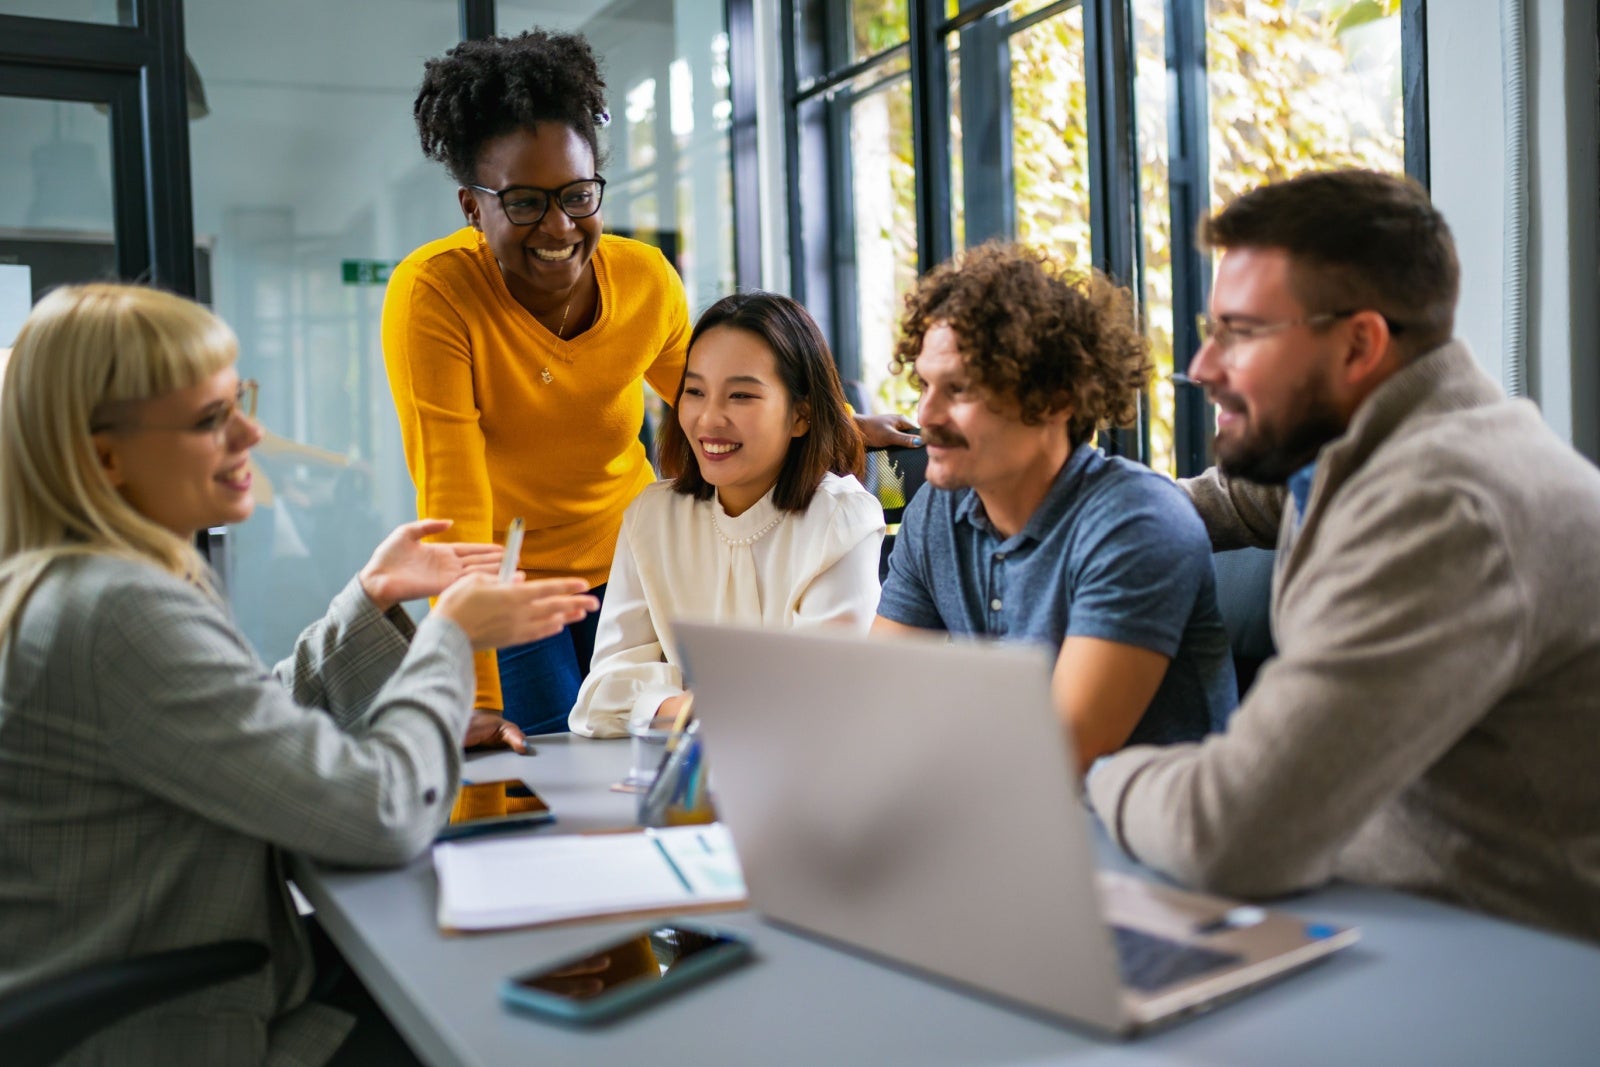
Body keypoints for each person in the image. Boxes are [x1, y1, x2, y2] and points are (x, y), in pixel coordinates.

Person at [0, 284, 598, 1065]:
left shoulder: (83, 582)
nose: (253, 433)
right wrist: (448, 640)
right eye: (212, 418)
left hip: (206, 971)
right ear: (104, 457)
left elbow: (243, 721)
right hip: (180, 1024)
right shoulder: (118, 611)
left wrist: (373, 596)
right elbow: (380, 812)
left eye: (237, 400)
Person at [1085, 169, 1600, 944]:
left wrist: (1092, 769)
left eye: (1241, 331)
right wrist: (1073, 507)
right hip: (1395, 913)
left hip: (1511, 963)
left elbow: (1225, 831)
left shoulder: (1436, 504)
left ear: (1360, 342)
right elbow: (1219, 501)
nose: (1201, 366)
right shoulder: (1355, 449)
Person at [385, 30, 916, 745]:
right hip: (515, 579)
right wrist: (469, 688)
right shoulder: (435, 295)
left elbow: (712, 398)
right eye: (523, 203)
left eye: (577, 195)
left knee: (636, 749)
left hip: (628, 554)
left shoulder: (643, 279)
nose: (559, 226)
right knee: (532, 771)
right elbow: (455, 501)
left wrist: (832, 420)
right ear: (472, 206)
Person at [873, 243, 1236, 771]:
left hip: (1144, 840)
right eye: (926, 384)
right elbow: (877, 700)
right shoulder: (936, 510)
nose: (926, 413)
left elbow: (1060, 754)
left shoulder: (1137, 523)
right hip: (999, 822)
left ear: (1057, 399)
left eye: (961, 389)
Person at [569, 292, 884, 737]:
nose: (709, 419)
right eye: (694, 392)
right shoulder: (653, 516)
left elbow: (818, 696)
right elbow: (599, 697)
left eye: (740, 395)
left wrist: (667, 704)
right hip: (692, 782)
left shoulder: (842, 519)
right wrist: (698, 706)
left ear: (802, 415)